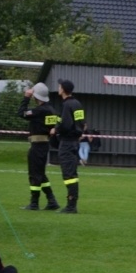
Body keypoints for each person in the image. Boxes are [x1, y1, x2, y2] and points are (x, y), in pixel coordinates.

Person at [17, 82, 60, 211]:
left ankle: (34, 203)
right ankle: (52, 201)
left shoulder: (40, 110)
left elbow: (21, 113)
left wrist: (26, 97)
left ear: (36, 96)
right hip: (44, 144)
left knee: (34, 173)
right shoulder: (51, 110)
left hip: (37, 145)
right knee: (41, 174)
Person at [50, 79, 84, 214]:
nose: (58, 88)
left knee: (69, 174)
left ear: (63, 89)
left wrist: (55, 130)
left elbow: (65, 124)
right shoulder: (77, 103)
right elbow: (82, 123)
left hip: (67, 142)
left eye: (59, 86)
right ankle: (71, 203)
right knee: (72, 173)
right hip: (75, 141)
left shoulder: (66, 105)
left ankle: (71, 205)